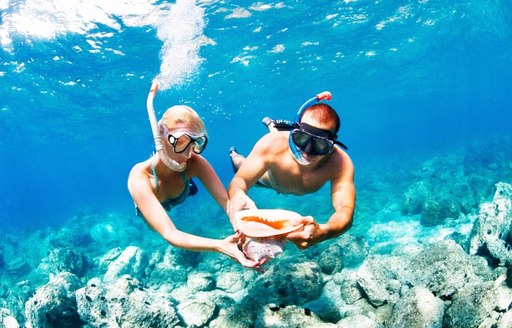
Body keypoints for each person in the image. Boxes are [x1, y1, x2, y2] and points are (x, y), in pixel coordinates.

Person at [128, 82, 260, 268]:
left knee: (190, 182)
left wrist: (245, 229)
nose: (188, 154)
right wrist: (220, 246)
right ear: (161, 136)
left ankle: (192, 183)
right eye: (181, 141)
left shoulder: (195, 163)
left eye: (196, 143)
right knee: (154, 225)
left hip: (180, 186)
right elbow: (170, 234)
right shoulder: (139, 178)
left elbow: (228, 204)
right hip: (152, 200)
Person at [228, 93, 356, 249]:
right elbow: (241, 181)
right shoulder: (272, 144)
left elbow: (345, 209)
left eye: (320, 144)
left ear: (333, 142)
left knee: (277, 141)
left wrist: (324, 231)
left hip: (281, 165)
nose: (308, 152)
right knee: (240, 164)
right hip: (265, 180)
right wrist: (237, 194)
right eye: (301, 138)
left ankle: (275, 127)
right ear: (295, 132)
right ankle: (234, 152)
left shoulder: (340, 163)